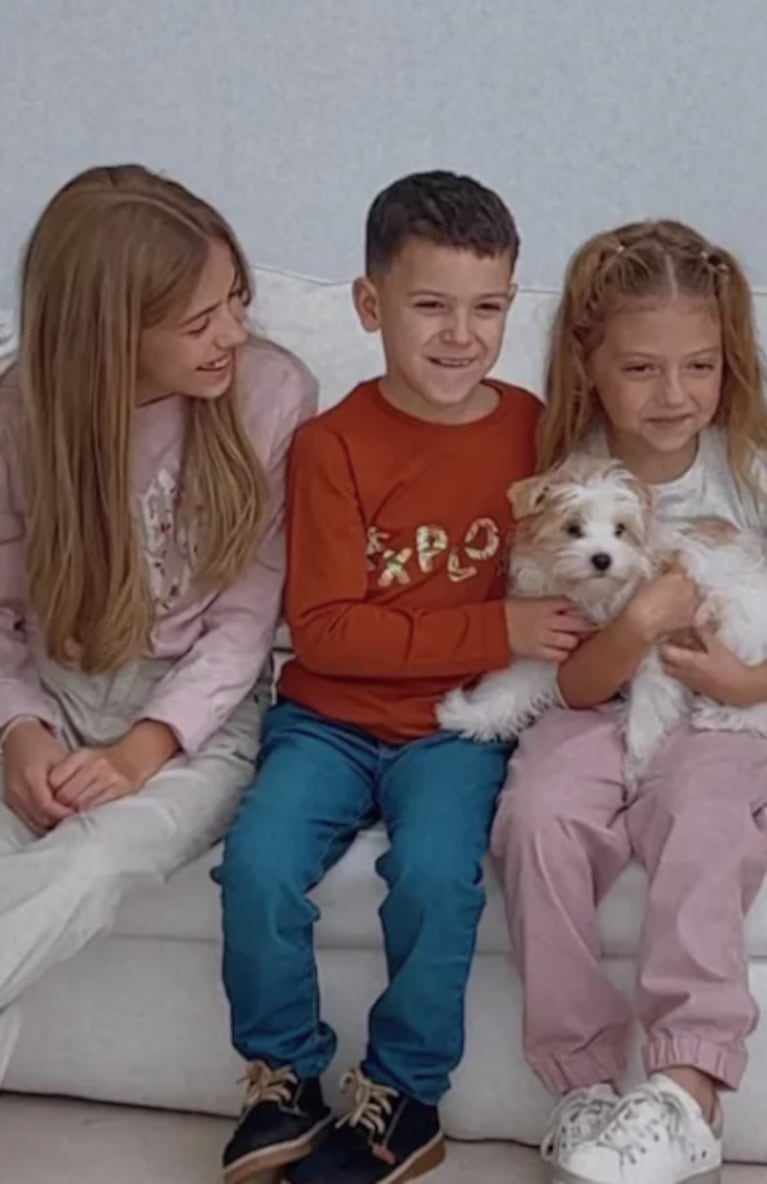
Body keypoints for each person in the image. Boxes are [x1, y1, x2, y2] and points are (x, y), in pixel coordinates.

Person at [215, 170, 590, 1184]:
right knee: (254, 864)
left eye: (487, 307)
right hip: (327, 721)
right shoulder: (329, 445)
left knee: (433, 876)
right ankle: (281, 1075)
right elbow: (329, 633)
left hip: (456, 728)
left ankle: (401, 1096)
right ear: (369, 304)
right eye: (430, 305)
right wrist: (495, 623)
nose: (460, 334)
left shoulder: (532, 426)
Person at [0, 164, 316, 1084]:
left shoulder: (270, 395)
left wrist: (145, 748)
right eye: (199, 321)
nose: (233, 333)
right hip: (52, 694)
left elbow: (248, 622)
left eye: (236, 301)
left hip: (200, 725)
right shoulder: (20, 413)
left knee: (91, 865)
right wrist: (19, 731)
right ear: (112, 336)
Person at [491, 218, 767, 1184]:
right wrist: (640, 621)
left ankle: (686, 1094)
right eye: (643, 369)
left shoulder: (751, 466)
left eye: (700, 366)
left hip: (723, 708)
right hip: (595, 703)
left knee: (702, 816)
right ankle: (583, 1089)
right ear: (590, 363)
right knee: (536, 813)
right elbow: (568, 679)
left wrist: (746, 683)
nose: (676, 395)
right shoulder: (568, 480)